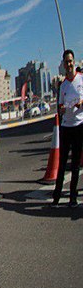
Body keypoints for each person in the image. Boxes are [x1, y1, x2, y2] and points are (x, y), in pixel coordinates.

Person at [52, 49, 83, 208]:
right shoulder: (63, 85)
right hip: (66, 127)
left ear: (74, 62)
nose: (69, 64)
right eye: (66, 62)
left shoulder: (81, 80)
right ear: (63, 65)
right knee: (62, 164)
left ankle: (72, 197)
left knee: (75, 164)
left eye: (71, 61)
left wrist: (81, 104)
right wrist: (62, 109)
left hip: (79, 126)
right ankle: (56, 198)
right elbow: (60, 106)